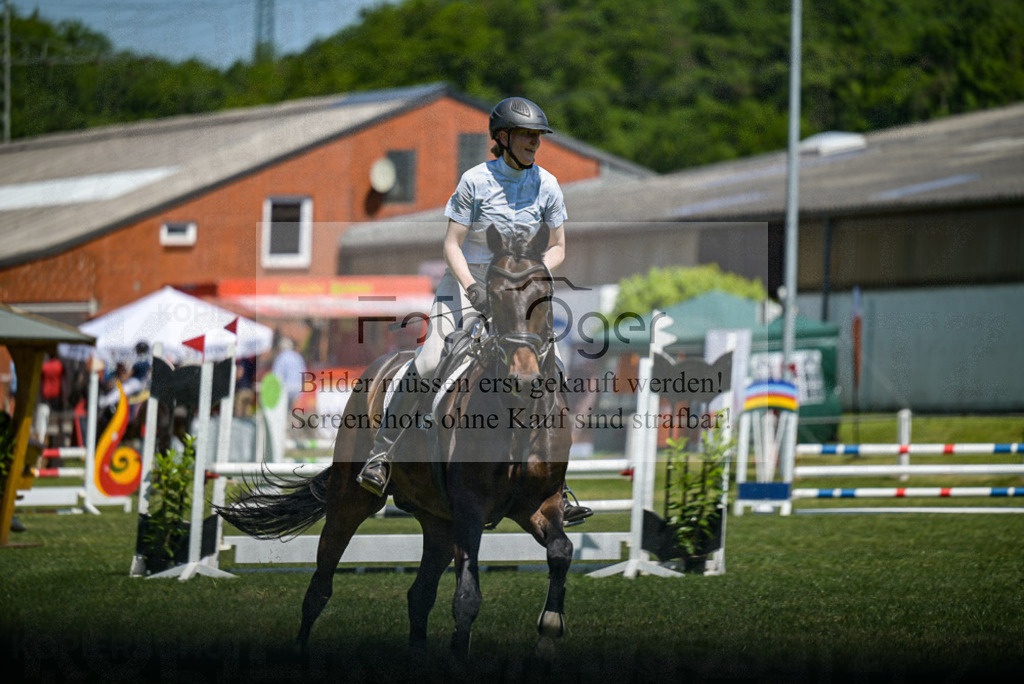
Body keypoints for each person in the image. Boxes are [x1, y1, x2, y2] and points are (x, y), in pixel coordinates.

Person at [357, 96, 592, 525]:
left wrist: (530, 275)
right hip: (467, 284)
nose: (534, 144)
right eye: (526, 136)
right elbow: (451, 244)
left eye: (537, 137)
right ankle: (382, 453)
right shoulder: (475, 181)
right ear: (502, 138)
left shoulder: (549, 185)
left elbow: (558, 248)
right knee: (429, 362)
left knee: (553, 367)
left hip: (518, 292)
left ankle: (557, 483)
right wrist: (472, 286)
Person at [271, 337, 306, 411]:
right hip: (297, 388)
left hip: (285, 388)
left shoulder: (281, 357)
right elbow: (304, 373)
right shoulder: (298, 357)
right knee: (295, 411)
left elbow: (276, 375)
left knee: (284, 412)